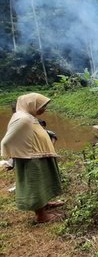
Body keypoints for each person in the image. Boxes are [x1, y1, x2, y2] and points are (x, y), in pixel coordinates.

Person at [1, 93, 63, 223]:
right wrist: (18, 153)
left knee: (43, 181)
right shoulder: (23, 119)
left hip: (38, 155)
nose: (44, 109)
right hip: (31, 158)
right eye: (41, 106)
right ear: (30, 105)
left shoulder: (28, 117)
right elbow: (7, 141)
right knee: (36, 184)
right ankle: (41, 216)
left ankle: (44, 204)